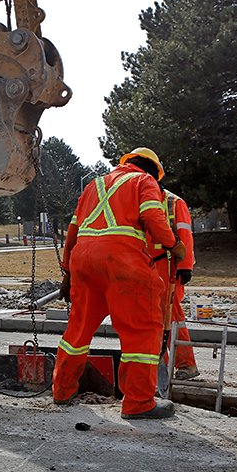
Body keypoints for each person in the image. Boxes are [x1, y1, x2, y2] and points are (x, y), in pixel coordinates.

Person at [52, 147, 186, 420]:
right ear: (152, 170)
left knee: (78, 330)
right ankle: (138, 402)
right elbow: (152, 217)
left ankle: (62, 390)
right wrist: (175, 246)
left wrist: (67, 273)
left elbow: (73, 230)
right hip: (123, 261)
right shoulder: (144, 181)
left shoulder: (94, 185)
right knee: (143, 330)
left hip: (84, 262)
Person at [150, 187, 199, 380]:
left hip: (170, 267)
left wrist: (185, 265)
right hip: (149, 265)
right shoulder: (140, 199)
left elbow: (185, 235)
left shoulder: (173, 202)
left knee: (172, 316)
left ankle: (186, 364)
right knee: (153, 317)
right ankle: (160, 364)